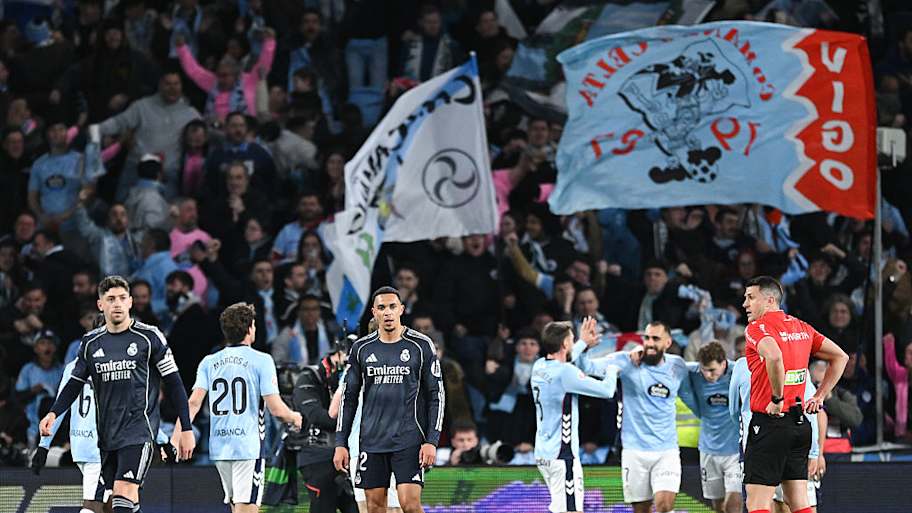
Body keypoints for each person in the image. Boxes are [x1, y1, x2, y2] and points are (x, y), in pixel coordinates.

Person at [40, 276, 195, 513]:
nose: (117, 304)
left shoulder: (149, 337)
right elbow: (74, 383)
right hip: (106, 436)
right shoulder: (91, 342)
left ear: (131, 302)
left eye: (122, 298)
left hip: (139, 432)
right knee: (120, 504)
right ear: (101, 305)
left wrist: (185, 428)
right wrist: (53, 412)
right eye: (111, 299)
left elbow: (174, 384)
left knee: (122, 495)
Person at [177, 302, 302, 512]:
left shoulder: (209, 362)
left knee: (237, 507)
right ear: (250, 328)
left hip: (220, 447)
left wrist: (179, 434)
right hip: (247, 446)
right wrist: (295, 417)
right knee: (247, 508)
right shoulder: (262, 360)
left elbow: (193, 403)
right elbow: (277, 410)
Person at [740, 276, 848, 513]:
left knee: (758, 502)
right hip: (800, 425)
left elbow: (774, 356)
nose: (745, 304)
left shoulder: (757, 328)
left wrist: (776, 399)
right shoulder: (801, 327)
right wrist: (819, 396)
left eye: (750, 298)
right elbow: (841, 357)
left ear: (769, 300)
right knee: (798, 500)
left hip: (770, 424)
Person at [334, 286, 444, 513]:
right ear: (374, 312)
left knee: (410, 505)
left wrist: (432, 440)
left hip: (409, 439)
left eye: (392, 307)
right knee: (374, 507)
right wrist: (340, 443)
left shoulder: (420, 345)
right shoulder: (361, 349)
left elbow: (436, 395)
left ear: (401, 310)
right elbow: (349, 398)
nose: (387, 312)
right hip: (372, 441)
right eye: (382, 308)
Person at [577, 321, 691, 513]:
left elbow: (703, 370)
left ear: (668, 343)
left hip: (666, 451)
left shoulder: (677, 366)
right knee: (641, 510)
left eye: (656, 338)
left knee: (664, 506)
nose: (650, 343)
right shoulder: (626, 361)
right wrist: (584, 345)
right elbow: (587, 367)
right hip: (634, 451)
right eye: (646, 338)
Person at [531, 318, 618, 513]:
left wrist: (582, 343)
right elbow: (606, 390)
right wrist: (612, 369)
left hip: (544, 453)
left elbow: (564, 359)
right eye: (572, 339)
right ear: (564, 344)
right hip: (563, 456)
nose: (573, 342)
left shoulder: (539, 366)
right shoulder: (566, 372)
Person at [729, 359, 826, 513]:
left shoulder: (742, 365)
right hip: (794, 436)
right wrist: (814, 452)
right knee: (799, 501)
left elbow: (734, 410)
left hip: (758, 439)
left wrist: (746, 433)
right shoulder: (798, 362)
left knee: (759, 502)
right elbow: (810, 410)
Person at [32, 352, 105, 513]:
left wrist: (44, 446)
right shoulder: (113, 365)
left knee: (111, 500)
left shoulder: (72, 366)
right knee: (96, 504)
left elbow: (60, 407)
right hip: (101, 447)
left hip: (80, 445)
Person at [292, 336, 357, 513]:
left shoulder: (358, 375)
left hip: (349, 455)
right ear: (337, 353)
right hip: (316, 455)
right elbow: (320, 418)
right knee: (324, 504)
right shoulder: (308, 377)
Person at [683, 341, 741, 513]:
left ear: (724, 363)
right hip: (708, 450)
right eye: (704, 369)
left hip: (735, 452)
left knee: (733, 505)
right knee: (718, 507)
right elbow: (673, 364)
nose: (708, 374)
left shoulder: (738, 372)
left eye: (713, 370)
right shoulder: (694, 372)